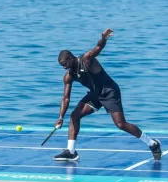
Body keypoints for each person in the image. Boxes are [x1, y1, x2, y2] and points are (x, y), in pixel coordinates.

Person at [53, 28, 161, 162]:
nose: (64, 67)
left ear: (71, 58)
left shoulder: (86, 60)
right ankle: (71, 151)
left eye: (65, 64)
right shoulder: (69, 76)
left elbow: (98, 47)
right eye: (62, 66)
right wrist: (60, 117)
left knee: (121, 124)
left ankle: (152, 143)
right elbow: (66, 98)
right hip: (95, 95)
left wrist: (103, 38)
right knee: (75, 115)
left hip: (110, 92)